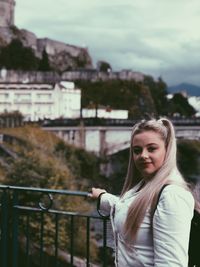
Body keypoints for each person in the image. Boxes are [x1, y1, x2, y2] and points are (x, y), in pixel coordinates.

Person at [90, 118, 196, 267]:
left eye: (151, 149)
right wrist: (103, 197)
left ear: (167, 150)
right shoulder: (143, 186)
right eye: (137, 150)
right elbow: (129, 208)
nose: (143, 155)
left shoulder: (172, 195)